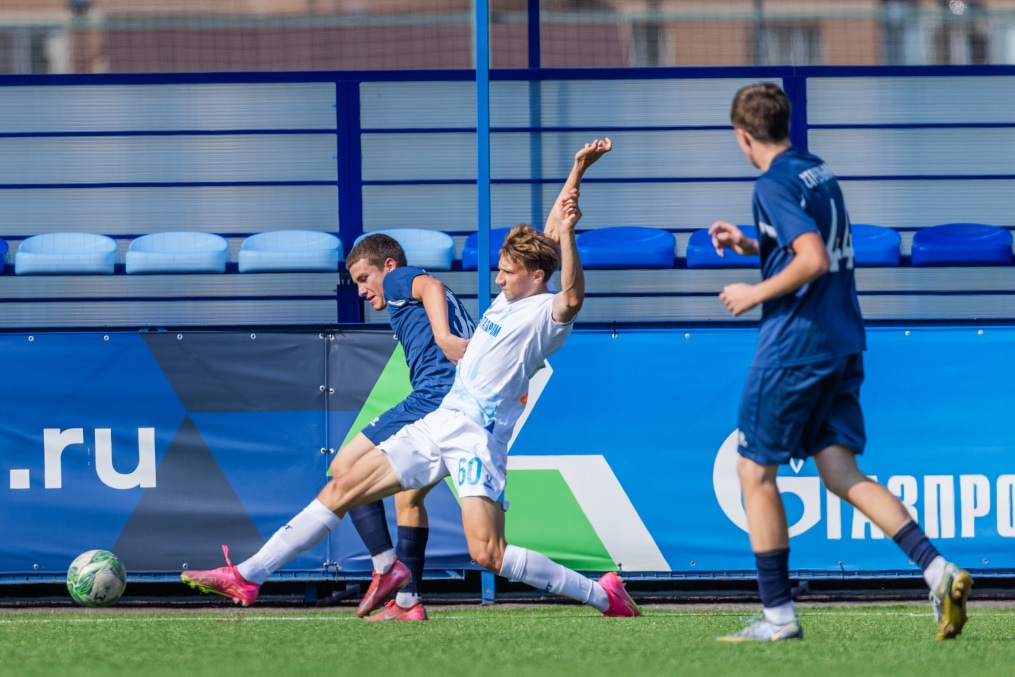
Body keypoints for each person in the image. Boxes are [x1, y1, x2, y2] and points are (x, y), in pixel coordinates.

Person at [182, 137, 640, 618]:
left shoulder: (547, 315)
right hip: (440, 421)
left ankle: (601, 594)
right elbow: (551, 229)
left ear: (537, 275)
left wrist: (568, 239)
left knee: (489, 554)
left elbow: (570, 292)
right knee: (341, 488)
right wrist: (577, 171)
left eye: (507, 272)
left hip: (476, 438)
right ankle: (249, 576)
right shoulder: (510, 298)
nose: (498, 280)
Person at [708, 82, 971, 642]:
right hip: (843, 338)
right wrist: (753, 244)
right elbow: (809, 242)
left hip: (795, 346)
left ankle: (778, 616)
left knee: (753, 471)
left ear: (743, 135)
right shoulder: (816, 171)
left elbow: (813, 256)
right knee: (841, 472)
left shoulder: (771, 182)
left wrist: (753, 293)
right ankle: (937, 569)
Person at [184, 232, 474, 621]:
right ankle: (408, 602)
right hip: (461, 405)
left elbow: (430, 285)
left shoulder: (400, 278)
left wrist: (443, 338)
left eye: (363, 278)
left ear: (387, 266)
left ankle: (386, 566)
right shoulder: (420, 292)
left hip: (434, 399)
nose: (361, 291)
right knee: (409, 498)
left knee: (343, 466)